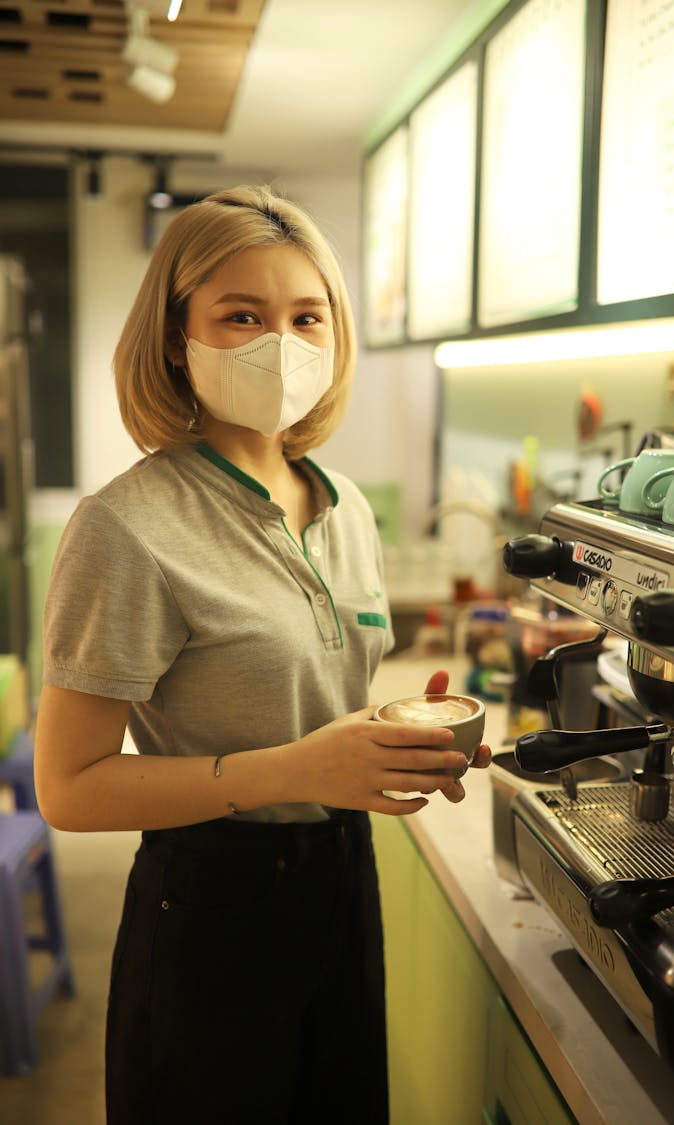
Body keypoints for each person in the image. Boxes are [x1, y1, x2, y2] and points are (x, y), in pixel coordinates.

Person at [34, 184, 491, 1125]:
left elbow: (323, 706)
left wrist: (398, 740)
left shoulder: (346, 507)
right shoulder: (126, 527)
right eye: (240, 315)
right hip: (209, 904)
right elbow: (68, 787)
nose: (278, 343)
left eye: (304, 316)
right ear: (175, 336)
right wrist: (298, 766)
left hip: (343, 879)